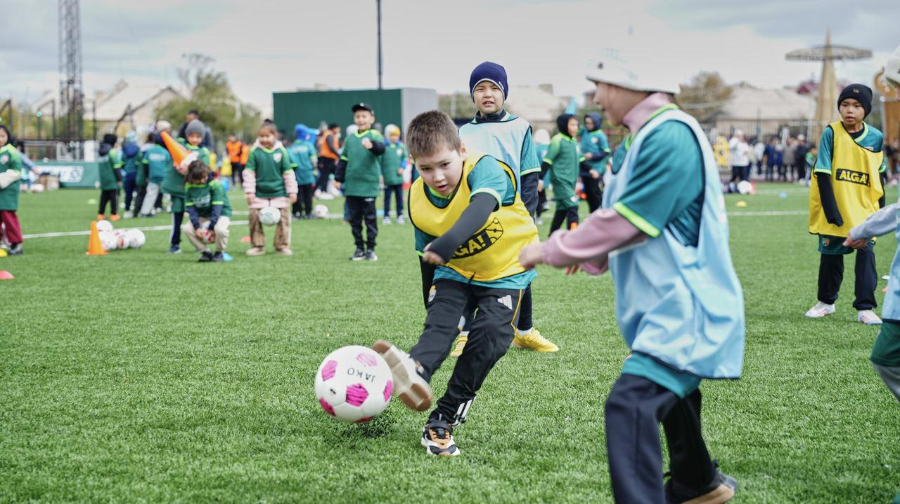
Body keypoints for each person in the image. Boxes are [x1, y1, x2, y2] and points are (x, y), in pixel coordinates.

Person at [519, 48, 744, 503]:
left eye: (599, 86)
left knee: (631, 403)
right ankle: (698, 484)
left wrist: (551, 248)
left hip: (687, 309)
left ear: (630, 84)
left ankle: (694, 484)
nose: (595, 98)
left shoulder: (670, 134)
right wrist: (595, 257)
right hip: (668, 308)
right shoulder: (642, 138)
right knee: (669, 392)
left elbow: (631, 219)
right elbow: (623, 216)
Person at [372, 110, 539, 457]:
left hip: (506, 268)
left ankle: (444, 417)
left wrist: (448, 241)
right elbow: (425, 259)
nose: (437, 177)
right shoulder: (417, 198)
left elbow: (482, 206)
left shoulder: (487, 168)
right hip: (456, 271)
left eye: (444, 164)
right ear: (414, 165)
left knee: (492, 336)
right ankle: (416, 369)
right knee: (442, 323)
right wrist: (431, 306)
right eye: (425, 169)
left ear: (462, 150)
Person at [455, 61, 557, 355]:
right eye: (480, 89)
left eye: (494, 88)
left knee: (520, 271)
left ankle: (523, 332)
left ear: (504, 93)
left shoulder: (520, 127)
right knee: (471, 270)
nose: (488, 94)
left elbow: (529, 176)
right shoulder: (463, 132)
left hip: (512, 215)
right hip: (475, 213)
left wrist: (527, 218)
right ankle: (465, 333)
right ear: (473, 96)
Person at [807, 83, 887, 324]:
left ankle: (865, 308)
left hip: (864, 211)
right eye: (845, 105)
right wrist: (831, 211)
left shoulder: (876, 137)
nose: (849, 110)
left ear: (866, 110)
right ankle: (826, 302)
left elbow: (879, 175)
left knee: (866, 257)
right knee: (831, 257)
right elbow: (822, 172)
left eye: (856, 105)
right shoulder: (831, 133)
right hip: (837, 209)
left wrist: (880, 211)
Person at [334, 103, 385, 261]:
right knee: (354, 220)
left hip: (368, 185)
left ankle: (370, 249)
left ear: (371, 118)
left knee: (369, 219)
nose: (361, 119)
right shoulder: (350, 139)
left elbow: (381, 148)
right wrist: (338, 178)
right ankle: (359, 248)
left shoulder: (375, 135)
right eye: (358, 116)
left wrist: (372, 146)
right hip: (352, 186)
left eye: (364, 116)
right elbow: (343, 159)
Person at [242, 121, 298, 256]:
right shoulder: (254, 151)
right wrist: (250, 192)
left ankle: (281, 246)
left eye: (267, 136)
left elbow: (288, 173)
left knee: (284, 219)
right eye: (261, 136)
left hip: (279, 192)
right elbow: (249, 173)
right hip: (259, 193)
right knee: (254, 217)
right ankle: (257, 245)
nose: (264, 139)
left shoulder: (281, 151)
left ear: (274, 136)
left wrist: (292, 191)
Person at [162, 120, 210, 254]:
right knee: (176, 218)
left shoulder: (203, 152)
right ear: (187, 135)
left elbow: (205, 170)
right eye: (192, 136)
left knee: (196, 220)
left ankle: (198, 244)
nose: (194, 139)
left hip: (194, 193)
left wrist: (192, 171)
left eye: (198, 136)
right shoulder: (179, 145)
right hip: (178, 191)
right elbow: (169, 146)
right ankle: (175, 244)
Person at [182, 160, 231, 262]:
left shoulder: (215, 184)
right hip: (202, 214)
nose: (205, 179)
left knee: (220, 230)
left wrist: (211, 227)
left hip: (221, 212)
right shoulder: (189, 186)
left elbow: (217, 207)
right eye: (201, 178)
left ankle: (219, 253)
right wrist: (197, 227)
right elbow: (191, 209)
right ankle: (206, 252)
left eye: (205, 176)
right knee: (187, 229)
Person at [541, 114, 581, 236]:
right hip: (560, 181)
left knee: (561, 211)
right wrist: (540, 179)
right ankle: (573, 241)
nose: (575, 127)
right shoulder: (557, 140)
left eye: (576, 125)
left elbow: (582, 159)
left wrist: (590, 170)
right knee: (573, 206)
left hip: (571, 182)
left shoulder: (574, 141)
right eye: (572, 125)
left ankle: (550, 239)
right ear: (564, 125)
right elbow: (547, 160)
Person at [0, 125, 24, 255]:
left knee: (8, 217)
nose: (0, 139)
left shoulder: (11, 151)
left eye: (2, 136)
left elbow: (16, 170)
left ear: (7, 136)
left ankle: (16, 243)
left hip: (8, 191)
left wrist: (2, 179)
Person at [139, 124, 173, 218]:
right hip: (164, 177)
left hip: (152, 177)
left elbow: (145, 163)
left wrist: (146, 176)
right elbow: (169, 165)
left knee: (150, 194)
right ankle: (172, 209)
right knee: (170, 193)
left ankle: (145, 212)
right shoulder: (165, 152)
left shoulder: (149, 151)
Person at [579, 113, 611, 212]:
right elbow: (575, 125)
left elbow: (606, 152)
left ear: (596, 123)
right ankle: (593, 214)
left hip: (596, 169)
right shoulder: (584, 132)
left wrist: (592, 156)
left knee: (595, 193)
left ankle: (601, 212)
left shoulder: (600, 135)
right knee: (588, 194)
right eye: (586, 123)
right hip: (584, 168)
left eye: (590, 123)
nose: (588, 125)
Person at [288, 124, 317, 219]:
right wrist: (314, 169)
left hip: (296, 175)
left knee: (297, 193)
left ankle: (297, 212)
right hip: (308, 174)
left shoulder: (291, 147)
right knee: (308, 194)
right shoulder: (308, 145)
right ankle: (308, 213)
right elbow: (314, 160)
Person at [381, 124, 408, 224]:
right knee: (387, 198)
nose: (394, 137)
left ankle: (399, 215)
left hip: (398, 178)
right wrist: (381, 174)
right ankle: (386, 216)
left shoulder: (401, 146)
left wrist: (402, 167)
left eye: (396, 135)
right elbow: (380, 161)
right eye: (392, 135)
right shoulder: (384, 147)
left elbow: (405, 158)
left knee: (399, 198)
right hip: (388, 178)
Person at [97, 134, 123, 221]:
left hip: (103, 178)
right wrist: (119, 179)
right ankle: (114, 214)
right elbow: (116, 166)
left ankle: (101, 214)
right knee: (114, 197)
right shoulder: (111, 152)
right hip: (112, 178)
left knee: (104, 196)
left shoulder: (100, 152)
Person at [316, 123, 341, 199]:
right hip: (327, 159)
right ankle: (321, 191)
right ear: (334, 128)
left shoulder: (330, 135)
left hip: (330, 159)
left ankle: (329, 190)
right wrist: (339, 155)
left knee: (331, 175)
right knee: (324, 176)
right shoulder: (329, 135)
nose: (339, 130)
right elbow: (331, 147)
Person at [120, 131, 142, 217]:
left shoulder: (124, 150)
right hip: (136, 174)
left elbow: (122, 162)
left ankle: (127, 210)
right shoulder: (138, 149)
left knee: (128, 193)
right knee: (138, 193)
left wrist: (126, 168)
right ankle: (136, 210)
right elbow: (139, 161)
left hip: (127, 174)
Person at [533, 129, 551, 225]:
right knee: (541, 193)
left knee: (537, 196)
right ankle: (545, 203)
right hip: (548, 175)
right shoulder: (550, 147)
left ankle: (539, 214)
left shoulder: (537, 148)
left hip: (538, 175)